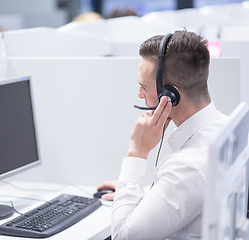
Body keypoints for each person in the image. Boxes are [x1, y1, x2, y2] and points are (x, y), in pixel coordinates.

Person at [97, 30, 228, 239]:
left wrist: (136, 152)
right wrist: (140, 194)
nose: (139, 95)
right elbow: (189, 196)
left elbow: (122, 236)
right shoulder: (224, 127)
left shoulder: (188, 167)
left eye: (143, 87)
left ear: (170, 96)